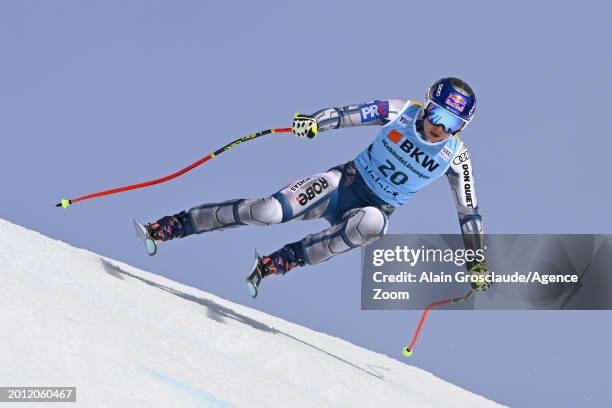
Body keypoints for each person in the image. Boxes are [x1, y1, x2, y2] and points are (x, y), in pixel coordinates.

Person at [138, 77, 491, 298]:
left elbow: (468, 212)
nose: (438, 128)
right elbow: (350, 113)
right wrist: (314, 123)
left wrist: (476, 261)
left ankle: (286, 259)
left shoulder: (456, 157)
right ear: (426, 104)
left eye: (452, 123)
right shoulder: (401, 111)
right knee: (267, 212)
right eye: (436, 114)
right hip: (342, 184)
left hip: (372, 208)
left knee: (375, 226)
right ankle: (173, 225)